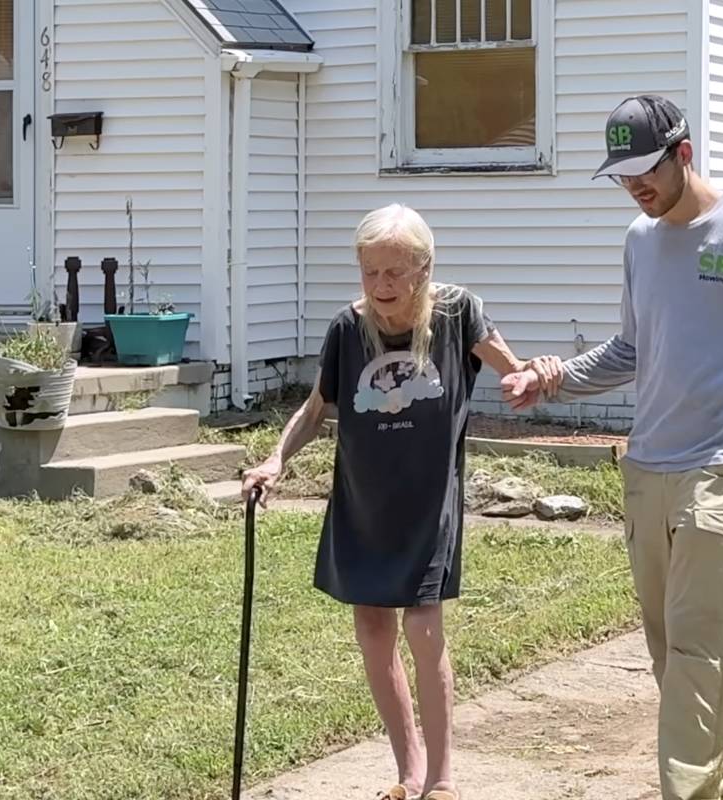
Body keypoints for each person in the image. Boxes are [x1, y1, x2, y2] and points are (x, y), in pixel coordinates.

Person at [503, 95, 723, 800]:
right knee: (667, 650)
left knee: (699, 645)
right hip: (648, 468)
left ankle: (689, 791)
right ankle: (706, 773)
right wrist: (552, 378)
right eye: (622, 174)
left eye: (646, 170)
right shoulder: (640, 240)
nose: (634, 186)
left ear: (684, 154)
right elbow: (631, 349)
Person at [241, 203, 564, 800]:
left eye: (395, 272)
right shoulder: (347, 328)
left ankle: (441, 779)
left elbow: (512, 372)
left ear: (424, 268)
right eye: (370, 272)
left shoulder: (458, 313)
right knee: (372, 630)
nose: (381, 285)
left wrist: (530, 377)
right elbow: (316, 409)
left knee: (423, 628)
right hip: (363, 502)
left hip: (426, 503)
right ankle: (408, 769)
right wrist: (274, 460)